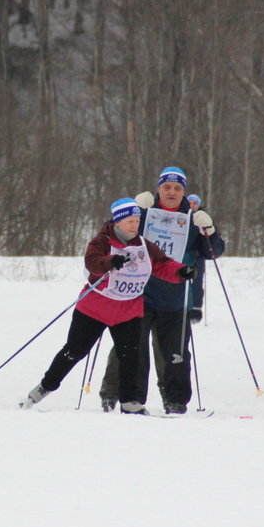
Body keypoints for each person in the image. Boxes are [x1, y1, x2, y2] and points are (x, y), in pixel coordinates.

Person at [21, 198, 195, 415]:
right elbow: (92, 262)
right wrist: (110, 262)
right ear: (118, 222)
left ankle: (130, 401)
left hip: (128, 311)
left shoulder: (143, 244)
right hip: (95, 309)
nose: (134, 225)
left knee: (131, 356)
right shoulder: (102, 241)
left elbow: (162, 264)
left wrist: (181, 272)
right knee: (74, 351)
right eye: (129, 221)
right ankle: (44, 387)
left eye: (137, 220)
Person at [98, 167, 225, 414]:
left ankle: (175, 400)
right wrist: (131, 211)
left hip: (175, 298)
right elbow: (110, 238)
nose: (171, 192)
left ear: (184, 192)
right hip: (138, 293)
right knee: (129, 347)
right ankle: (117, 395)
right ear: (158, 189)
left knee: (175, 353)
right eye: (166, 187)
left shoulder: (192, 218)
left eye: (177, 188)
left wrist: (209, 229)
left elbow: (212, 253)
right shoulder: (143, 213)